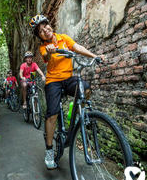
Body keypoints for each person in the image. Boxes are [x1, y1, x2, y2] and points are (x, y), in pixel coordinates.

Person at [29, 14, 105, 170]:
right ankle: (49, 150)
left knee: (86, 88)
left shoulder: (63, 38)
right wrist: (50, 51)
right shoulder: (44, 47)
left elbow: (77, 47)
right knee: (52, 114)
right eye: (41, 31)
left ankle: (74, 113)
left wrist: (95, 56)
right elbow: (46, 56)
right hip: (53, 82)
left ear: (50, 25)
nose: (45, 30)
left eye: (46, 26)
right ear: (39, 36)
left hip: (69, 78)